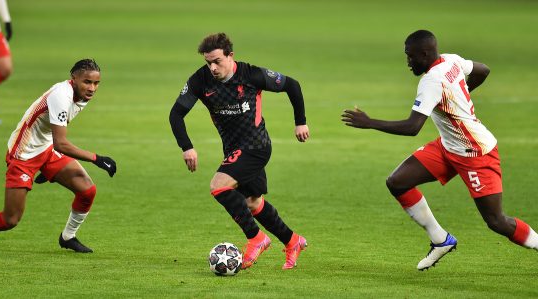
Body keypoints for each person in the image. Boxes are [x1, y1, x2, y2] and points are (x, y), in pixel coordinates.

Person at [341, 30, 538, 270]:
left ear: (424, 54)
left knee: (496, 221)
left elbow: (412, 127)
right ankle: (440, 240)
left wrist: (369, 122)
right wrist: (459, 97)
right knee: (397, 182)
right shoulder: (451, 60)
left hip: (475, 153)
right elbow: (483, 69)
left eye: (410, 57)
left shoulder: (431, 81)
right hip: (448, 146)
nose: (408, 62)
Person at [169, 33, 310, 270]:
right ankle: (293, 241)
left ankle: (256, 238)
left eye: (217, 61)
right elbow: (176, 114)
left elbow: (292, 85)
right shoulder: (200, 80)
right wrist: (187, 147)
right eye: (208, 62)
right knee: (253, 203)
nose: (212, 67)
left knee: (219, 185)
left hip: (256, 146)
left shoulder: (251, 74)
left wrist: (301, 122)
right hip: (233, 150)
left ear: (230, 55)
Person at [0, 59, 117, 253]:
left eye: (96, 83)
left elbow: (54, 134)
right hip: (24, 153)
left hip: (47, 148)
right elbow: (62, 143)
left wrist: (49, 166)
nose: (92, 88)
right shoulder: (61, 96)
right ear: (73, 79)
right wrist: (97, 158)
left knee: (87, 190)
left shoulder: (82, 95)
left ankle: (68, 237)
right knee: (11, 219)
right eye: (87, 82)